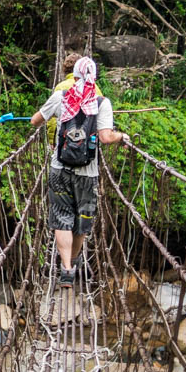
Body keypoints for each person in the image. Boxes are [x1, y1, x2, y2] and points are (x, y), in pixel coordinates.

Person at [30, 56, 124, 283]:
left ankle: (66, 268)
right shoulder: (102, 102)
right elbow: (106, 137)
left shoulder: (61, 96)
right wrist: (122, 136)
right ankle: (73, 261)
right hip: (87, 172)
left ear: (74, 74)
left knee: (61, 216)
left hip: (59, 168)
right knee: (82, 220)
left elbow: (35, 121)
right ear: (94, 76)